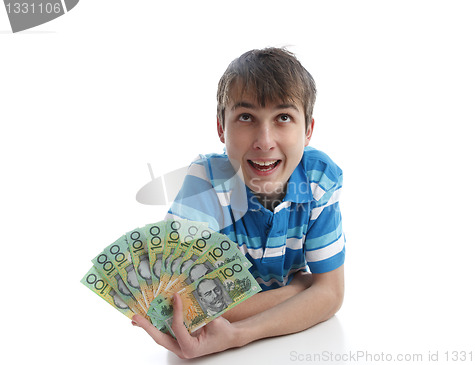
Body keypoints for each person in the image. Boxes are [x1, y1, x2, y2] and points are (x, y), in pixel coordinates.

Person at [132, 47, 345, 359]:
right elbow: (182, 311)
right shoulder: (204, 184)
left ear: (308, 130)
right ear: (221, 127)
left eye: (283, 118)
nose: (264, 140)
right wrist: (298, 290)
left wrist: (239, 333)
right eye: (246, 117)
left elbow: (331, 294)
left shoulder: (318, 178)